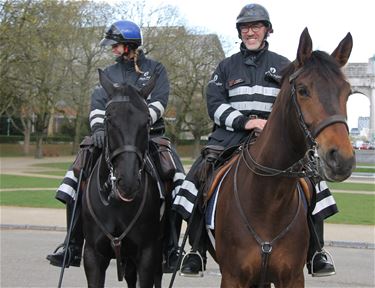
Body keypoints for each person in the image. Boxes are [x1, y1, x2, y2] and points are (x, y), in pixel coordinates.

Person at [173, 3, 337, 277]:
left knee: (310, 179)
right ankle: (196, 250)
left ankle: (316, 252)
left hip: (273, 141)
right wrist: (246, 122)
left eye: (256, 26)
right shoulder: (225, 67)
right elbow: (214, 103)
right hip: (231, 138)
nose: (250, 32)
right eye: (245, 27)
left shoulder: (285, 65)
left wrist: (270, 126)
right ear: (240, 32)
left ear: (267, 30)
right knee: (198, 177)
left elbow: (289, 105)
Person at [46, 20, 185, 272]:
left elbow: (160, 103)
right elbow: (97, 105)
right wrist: (99, 128)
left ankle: (172, 248)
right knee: (75, 175)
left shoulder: (155, 70)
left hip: (150, 136)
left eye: (115, 45)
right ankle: (73, 244)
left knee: (177, 178)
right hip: (111, 138)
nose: (112, 50)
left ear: (129, 46)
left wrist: (137, 125)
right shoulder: (108, 73)